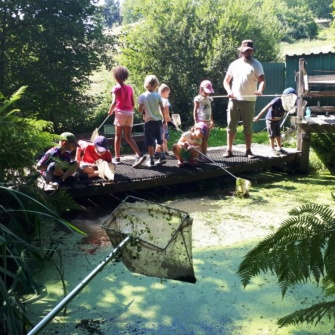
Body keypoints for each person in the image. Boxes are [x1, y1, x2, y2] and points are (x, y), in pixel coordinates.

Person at [223, 39, 266, 159]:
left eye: (250, 51)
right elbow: (226, 81)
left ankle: (248, 150)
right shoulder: (234, 64)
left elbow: (262, 81)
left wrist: (260, 90)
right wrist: (229, 91)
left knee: (248, 127)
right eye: (246, 51)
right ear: (241, 51)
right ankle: (229, 149)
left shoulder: (257, 64)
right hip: (234, 99)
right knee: (231, 125)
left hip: (249, 100)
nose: (248, 53)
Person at [108, 65, 146, 168]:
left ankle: (117, 158)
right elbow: (133, 103)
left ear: (115, 77)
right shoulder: (129, 88)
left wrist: (110, 111)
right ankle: (139, 154)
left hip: (120, 113)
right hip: (130, 113)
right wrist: (128, 110)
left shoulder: (115, 88)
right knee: (128, 137)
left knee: (118, 136)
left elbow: (114, 102)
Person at [254, 87, 296, 155]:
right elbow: (267, 106)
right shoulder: (277, 100)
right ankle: (272, 148)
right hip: (270, 120)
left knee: (278, 134)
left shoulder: (289, 103)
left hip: (277, 120)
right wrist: (258, 116)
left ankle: (279, 148)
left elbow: (289, 111)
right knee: (271, 134)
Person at [138, 75, 167, 167]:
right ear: (156, 85)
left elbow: (139, 110)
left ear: (146, 84)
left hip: (148, 122)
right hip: (158, 120)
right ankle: (162, 156)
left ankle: (151, 160)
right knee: (160, 140)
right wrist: (165, 120)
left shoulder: (142, 96)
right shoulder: (158, 95)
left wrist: (142, 108)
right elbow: (162, 108)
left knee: (150, 142)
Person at [193, 80, 214, 157]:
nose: (207, 93)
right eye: (206, 91)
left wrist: (212, 120)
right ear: (201, 89)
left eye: (208, 92)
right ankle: (200, 154)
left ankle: (205, 154)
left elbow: (210, 110)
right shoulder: (198, 98)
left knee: (206, 138)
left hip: (208, 121)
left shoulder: (209, 99)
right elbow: (195, 109)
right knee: (200, 139)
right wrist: (196, 121)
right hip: (201, 122)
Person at [154, 83, 171, 158]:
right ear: (163, 93)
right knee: (163, 137)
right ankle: (157, 152)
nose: (168, 95)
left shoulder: (156, 99)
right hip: (163, 121)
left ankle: (166, 151)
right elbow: (166, 113)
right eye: (168, 94)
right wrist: (168, 119)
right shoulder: (165, 101)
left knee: (159, 136)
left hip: (156, 120)